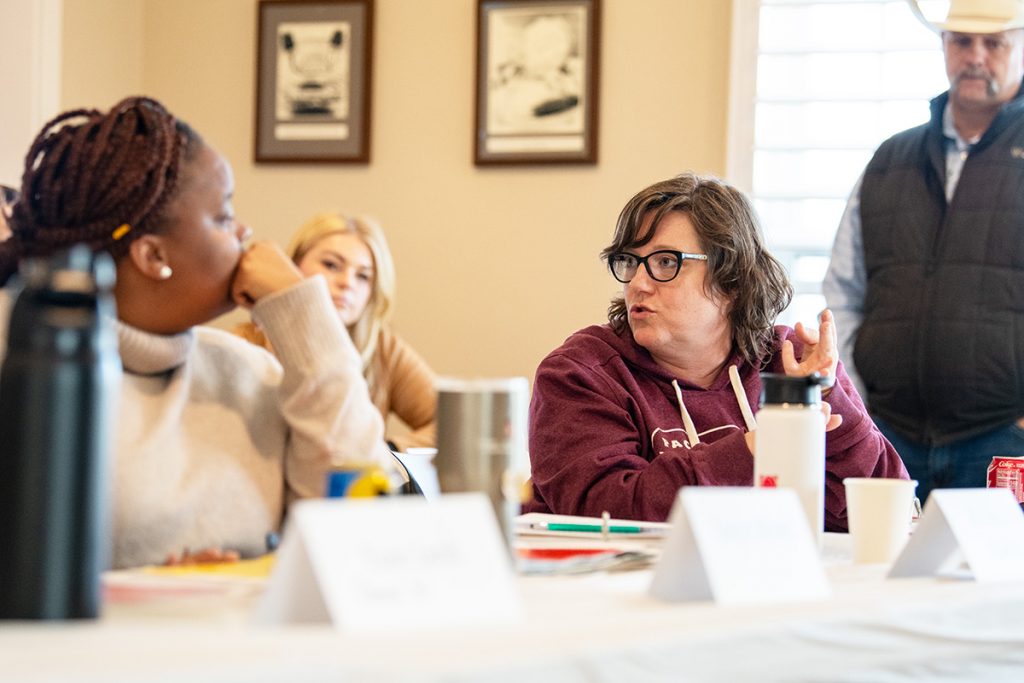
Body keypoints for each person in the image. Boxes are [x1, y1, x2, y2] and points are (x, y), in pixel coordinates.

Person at [0, 97, 393, 568]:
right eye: (224, 217)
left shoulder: (248, 371)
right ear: (154, 257)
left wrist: (307, 319)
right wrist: (138, 592)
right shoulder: (28, 373)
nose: (245, 232)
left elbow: (365, 531)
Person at [526, 173, 907, 527]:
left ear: (733, 281)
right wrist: (753, 449)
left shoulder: (789, 361)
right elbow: (607, 512)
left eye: (664, 262)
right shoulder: (581, 374)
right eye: (629, 261)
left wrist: (827, 397)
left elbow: (882, 510)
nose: (638, 283)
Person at [824, 0, 1024, 502]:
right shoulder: (890, 159)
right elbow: (844, 292)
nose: (974, 56)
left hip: (1003, 439)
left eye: (993, 43)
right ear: (942, 45)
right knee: (875, 577)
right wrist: (858, 406)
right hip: (887, 436)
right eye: (960, 40)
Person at [233, 212, 437, 452]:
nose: (347, 283)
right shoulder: (244, 346)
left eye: (363, 276)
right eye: (331, 265)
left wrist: (384, 453)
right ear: (292, 267)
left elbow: (449, 423)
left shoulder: (382, 349)